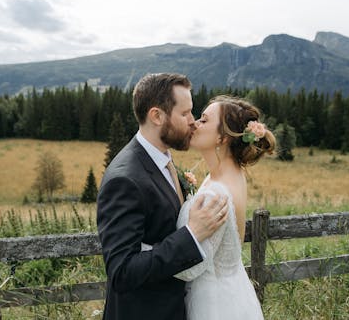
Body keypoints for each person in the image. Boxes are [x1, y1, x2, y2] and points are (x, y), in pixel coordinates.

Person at [97, 73, 228, 320]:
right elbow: (122, 272)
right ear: (157, 116)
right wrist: (192, 234)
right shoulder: (124, 180)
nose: (192, 121)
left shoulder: (162, 160)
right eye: (185, 113)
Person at [173, 95, 276, 320]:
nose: (194, 124)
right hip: (234, 291)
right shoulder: (229, 174)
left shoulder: (216, 194)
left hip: (213, 304)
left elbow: (190, 268)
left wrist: (144, 251)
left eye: (204, 120)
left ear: (222, 137)